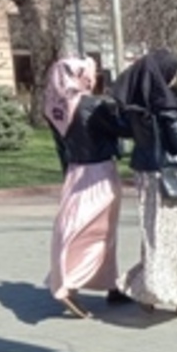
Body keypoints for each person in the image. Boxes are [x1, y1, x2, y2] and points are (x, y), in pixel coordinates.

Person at [111, 49, 177, 315]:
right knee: (175, 237)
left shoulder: (135, 104)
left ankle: (148, 293)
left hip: (145, 172)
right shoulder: (166, 104)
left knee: (152, 234)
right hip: (169, 175)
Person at [43, 56, 134, 319]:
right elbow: (125, 130)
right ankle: (66, 285)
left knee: (75, 227)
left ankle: (108, 283)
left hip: (75, 171)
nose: (92, 79)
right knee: (96, 231)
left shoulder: (54, 105)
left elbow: (61, 145)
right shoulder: (91, 105)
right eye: (89, 74)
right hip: (100, 173)